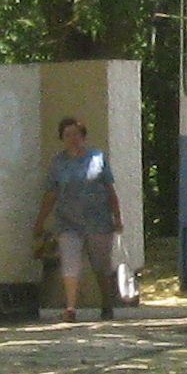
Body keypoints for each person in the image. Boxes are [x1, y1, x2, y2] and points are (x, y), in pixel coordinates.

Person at [32, 116, 124, 322]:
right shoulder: (58, 163)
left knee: (101, 266)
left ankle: (107, 304)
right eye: (67, 135)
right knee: (70, 264)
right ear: (62, 138)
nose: (72, 138)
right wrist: (40, 221)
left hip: (98, 222)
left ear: (82, 135)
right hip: (68, 222)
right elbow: (51, 194)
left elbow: (109, 189)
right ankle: (71, 308)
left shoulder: (98, 158)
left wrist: (117, 216)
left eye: (75, 134)